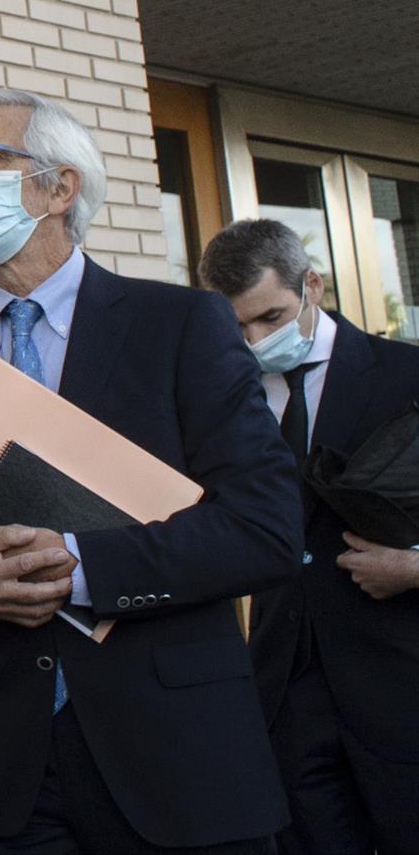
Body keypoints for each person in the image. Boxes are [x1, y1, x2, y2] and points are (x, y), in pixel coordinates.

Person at [0, 88, 301, 854]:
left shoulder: (181, 326)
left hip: (177, 763)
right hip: (11, 779)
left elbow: (264, 530)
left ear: (61, 187)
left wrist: (79, 566)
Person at [200, 218, 419, 855]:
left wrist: (413, 568)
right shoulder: (221, 396)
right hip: (283, 691)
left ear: (312, 286)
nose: (255, 340)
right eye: (237, 327)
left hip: (400, 684)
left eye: (270, 317)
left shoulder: (406, 375)